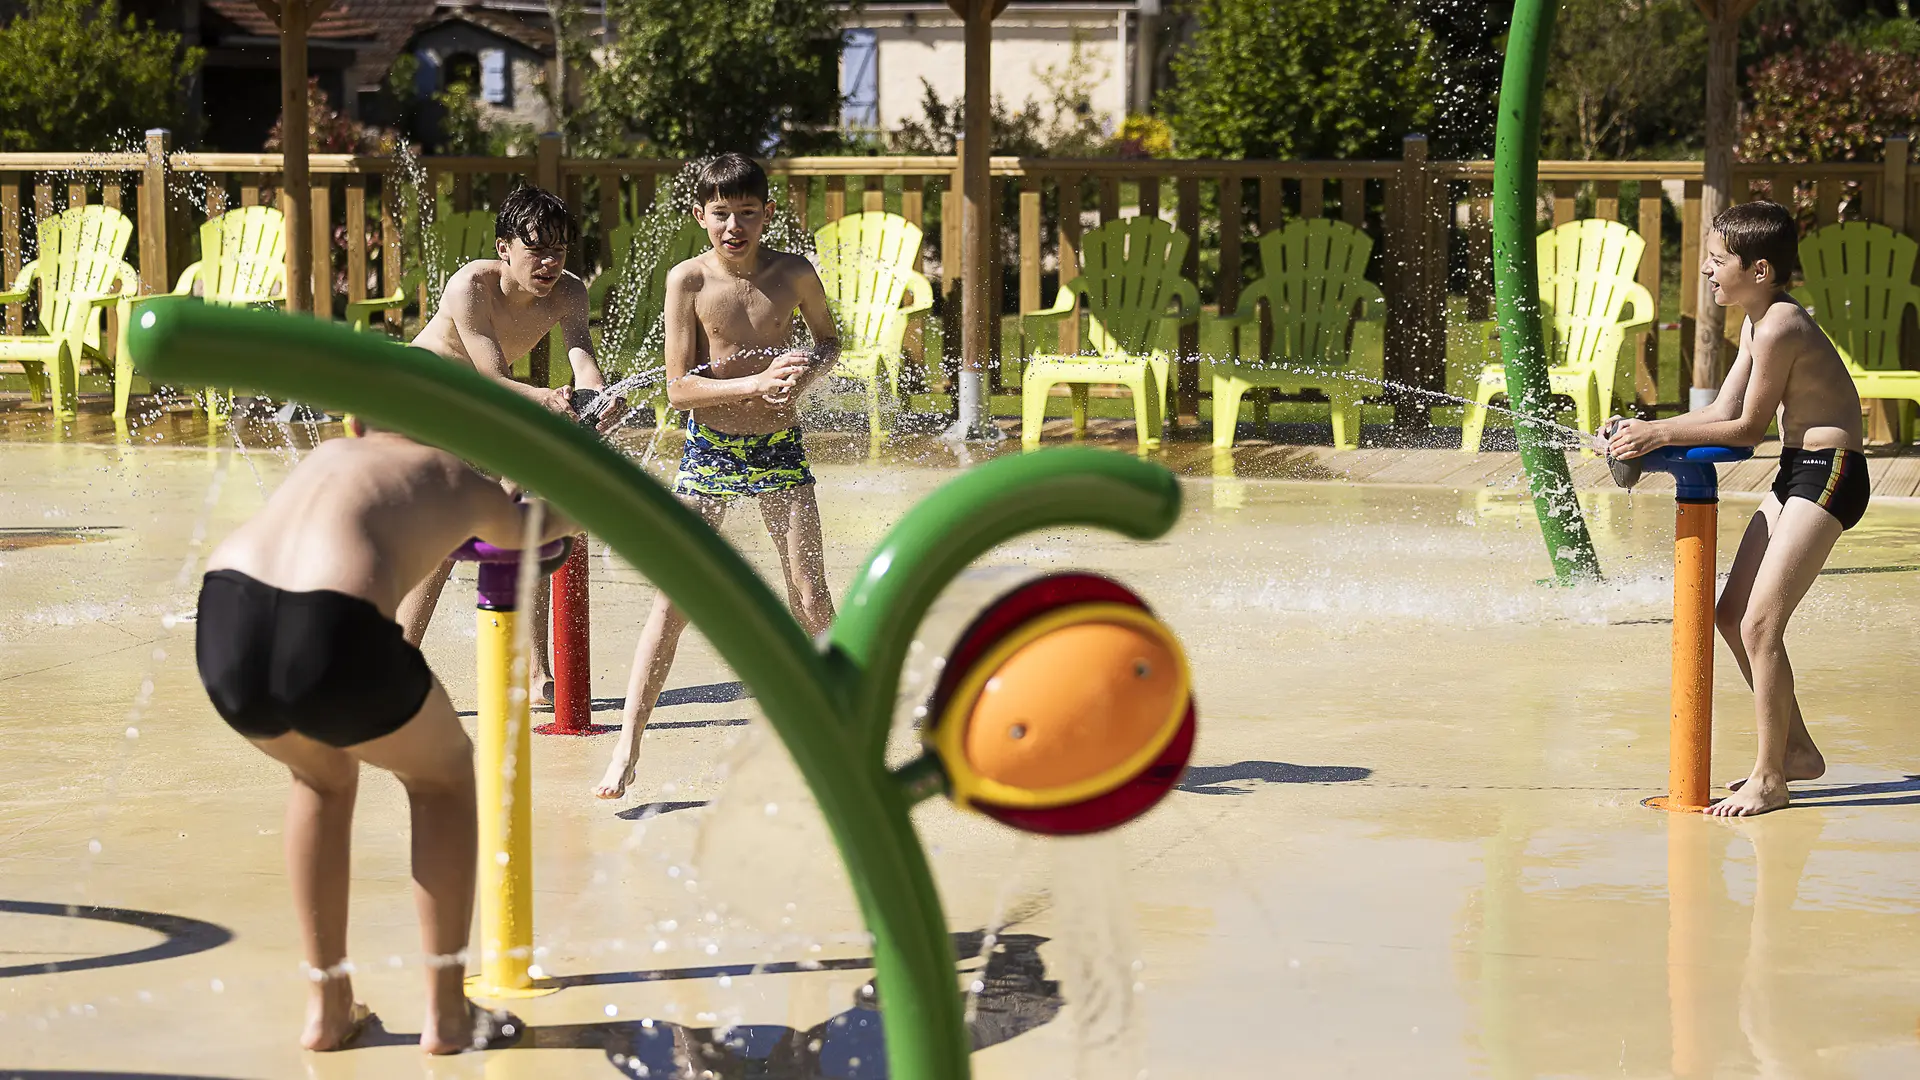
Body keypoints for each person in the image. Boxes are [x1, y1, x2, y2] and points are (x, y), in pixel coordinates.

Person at [195, 420, 577, 1051]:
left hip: (226, 618)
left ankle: (327, 1008)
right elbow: (532, 530)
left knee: (320, 778)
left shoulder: (329, 454)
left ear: (359, 422)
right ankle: (448, 1014)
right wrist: (578, 505)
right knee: (442, 778)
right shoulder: (454, 475)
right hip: (329, 627)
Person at [1606, 200, 1867, 817]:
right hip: (1796, 472)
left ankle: (1770, 777)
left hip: (1832, 473)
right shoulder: (1754, 322)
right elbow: (1721, 409)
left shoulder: (1780, 324)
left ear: (1760, 269)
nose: (1708, 271)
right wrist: (1647, 428)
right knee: (1729, 616)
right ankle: (1799, 752)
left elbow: (1747, 430)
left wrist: (1661, 437)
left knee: (1759, 626)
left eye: (1718, 260)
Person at [594, 153, 841, 800]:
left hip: (779, 446)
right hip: (711, 451)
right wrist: (758, 380)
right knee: (673, 601)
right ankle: (627, 747)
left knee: (811, 595)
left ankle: (849, 729)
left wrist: (805, 376)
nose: (734, 226)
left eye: (748, 213)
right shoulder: (689, 282)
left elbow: (827, 340)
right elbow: (677, 391)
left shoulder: (793, 274)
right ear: (698, 215)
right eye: (721, 214)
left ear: (767, 213)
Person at [398, 185, 622, 705]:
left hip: (481, 406)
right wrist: (548, 399)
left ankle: (538, 670)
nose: (549, 262)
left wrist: (599, 398)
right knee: (452, 530)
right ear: (504, 248)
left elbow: (582, 356)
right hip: (424, 396)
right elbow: (492, 379)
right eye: (535, 249)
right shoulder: (470, 286)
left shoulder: (569, 293)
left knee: (531, 511)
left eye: (559, 250)